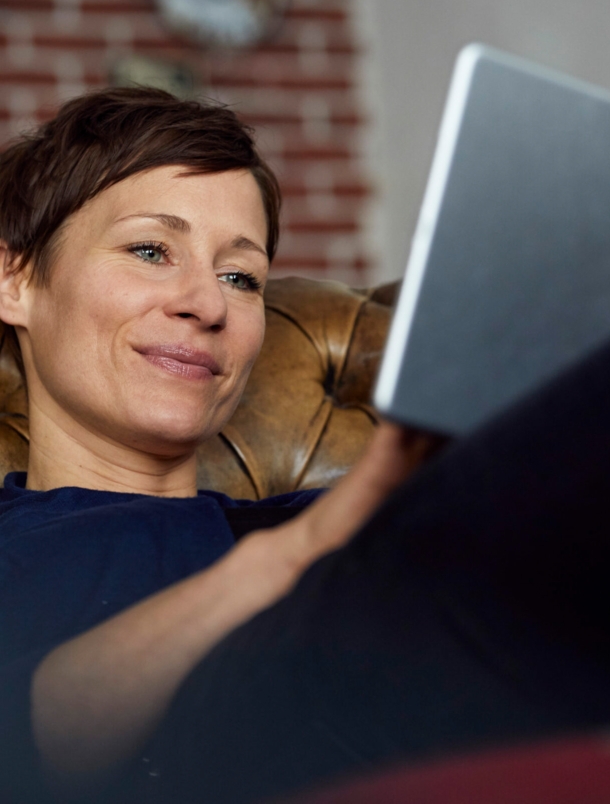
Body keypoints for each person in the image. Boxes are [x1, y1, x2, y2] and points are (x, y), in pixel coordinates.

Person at [1, 86, 610, 804]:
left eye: (240, 276)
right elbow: (28, 743)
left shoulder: (321, 515)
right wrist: (302, 551)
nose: (208, 303)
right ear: (16, 280)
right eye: (149, 249)